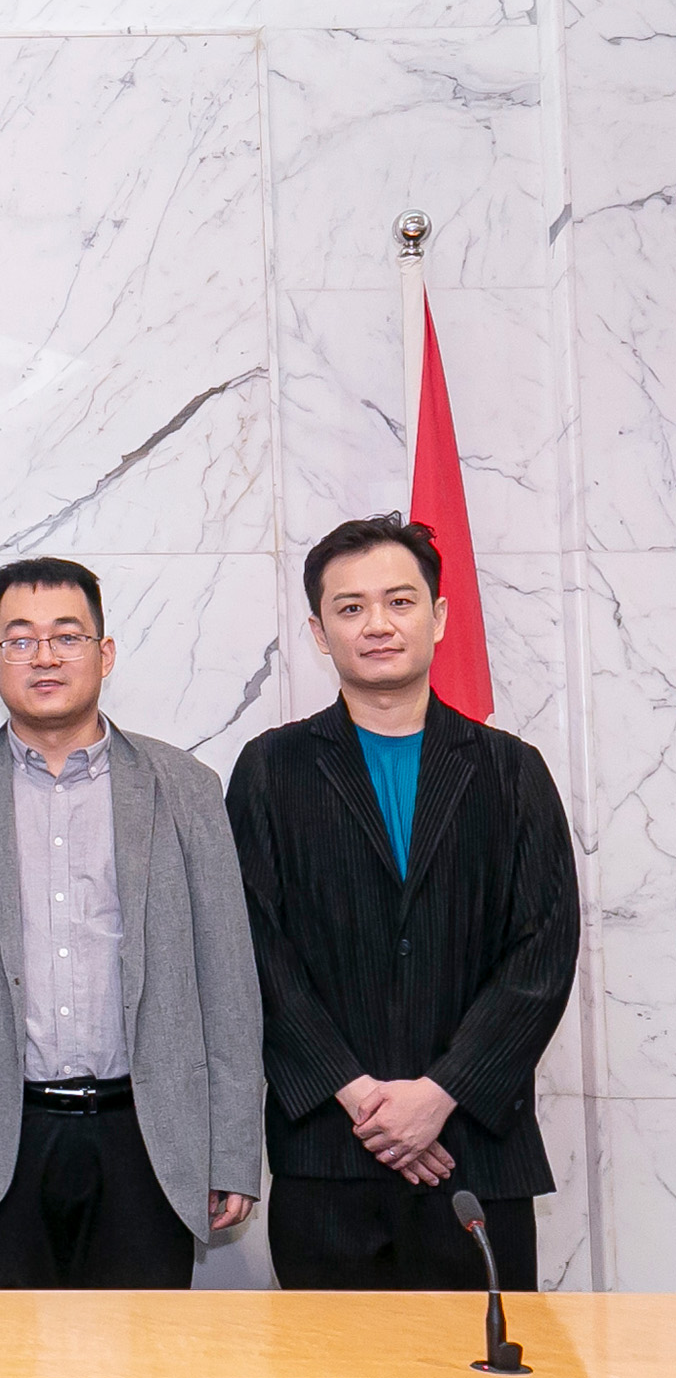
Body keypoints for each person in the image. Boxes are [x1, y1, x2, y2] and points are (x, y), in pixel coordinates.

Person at [228, 515, 577, 1289]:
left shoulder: (512, 770)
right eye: (350, 608)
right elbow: (254, 948)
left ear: (440, 616)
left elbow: (543, 955)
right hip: (327, 1151)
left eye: (399, 601)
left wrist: (440, 1093)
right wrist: (361, 1096)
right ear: (320, 633)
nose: (377, 624)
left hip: (476, 1154)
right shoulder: (270, 769)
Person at [0, 559, 262, 1287]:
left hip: (146, 1132)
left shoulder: (185, 789)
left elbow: (228, 982)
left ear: (104, 654)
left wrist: (230, 1149)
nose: (44, 656)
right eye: (21, 639)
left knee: (144, 1360)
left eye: (67, 636)